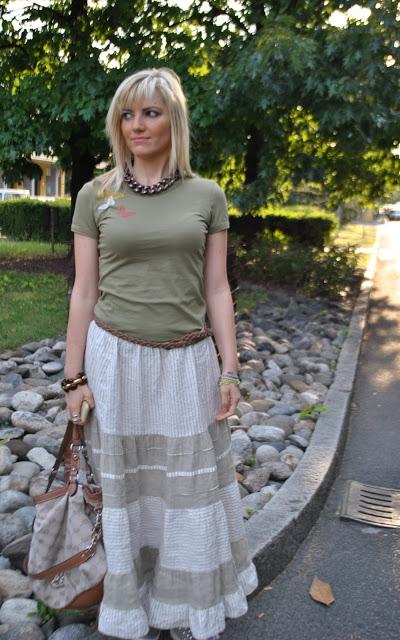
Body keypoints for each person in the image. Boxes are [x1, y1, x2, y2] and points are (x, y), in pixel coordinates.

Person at [63, 67, 258, 640]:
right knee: (125, 486)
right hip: (114, 360)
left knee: (183, 489)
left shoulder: (206, 195)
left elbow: (217, 289)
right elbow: (83, 291)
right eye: (127, 114)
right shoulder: (95, 195)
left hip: (185, 362)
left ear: (174, 120)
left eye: (150, 113)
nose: (137, 125)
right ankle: (129, 602)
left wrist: (230, 367)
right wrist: (73, 378)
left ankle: (184, 603)